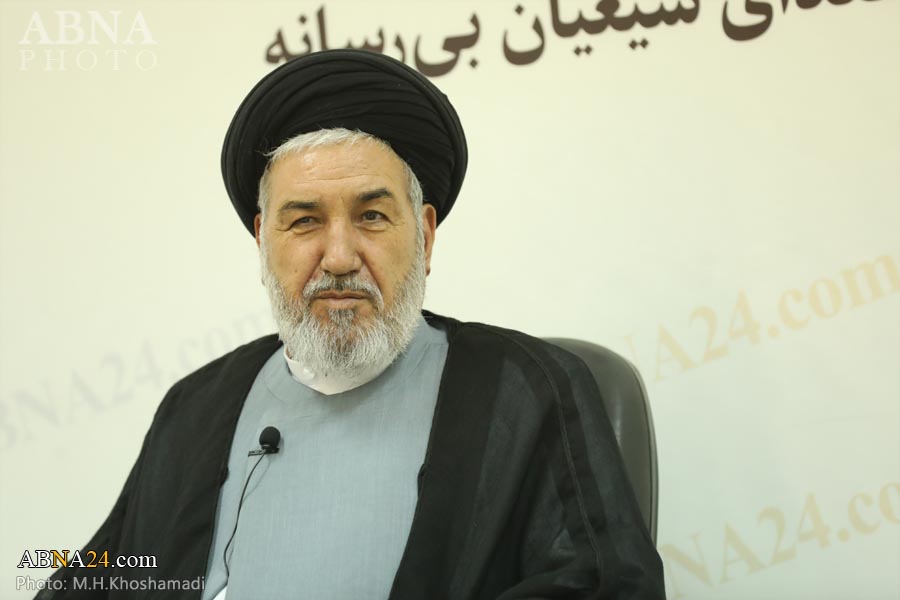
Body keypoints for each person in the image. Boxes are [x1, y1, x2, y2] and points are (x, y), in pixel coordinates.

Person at [37, 49, 664, 599]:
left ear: (423, 236)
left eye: (371, 217)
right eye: (304, 221)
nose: (338, 258)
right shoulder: (195, 406)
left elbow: (603, 585)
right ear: (263, 241)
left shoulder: (528, 391)